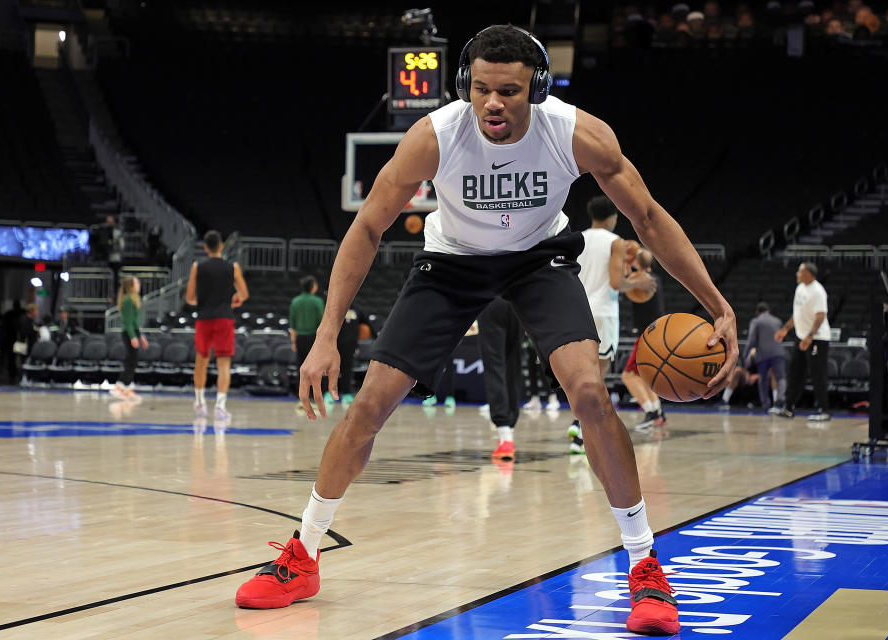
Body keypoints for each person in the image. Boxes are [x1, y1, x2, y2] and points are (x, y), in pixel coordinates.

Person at [235, 25, 737, 637]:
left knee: (589, 393)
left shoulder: (577, 134)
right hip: (450, 263)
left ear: (538, 91)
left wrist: (717, 304)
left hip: (538, 257)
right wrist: (325, 337)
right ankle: (304, 554)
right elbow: (367, 226)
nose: (493, 103)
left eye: (509, 90)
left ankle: (645, 567)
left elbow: (650, 219)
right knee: (369, 404)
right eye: (480, 89)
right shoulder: (435, 136)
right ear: (463, 87)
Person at [567, 193, 656, 453]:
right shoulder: (616, 242)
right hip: (604, 312)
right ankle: (582, 427)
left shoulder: (578, 238)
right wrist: (638, 282)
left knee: (584, 374)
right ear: (612, 218)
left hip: (579, 310)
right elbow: (617, 283)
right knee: (598, 376)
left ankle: (580, 425)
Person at [185, 230, 249, 420]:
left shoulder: (197, 266)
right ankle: (220, 406)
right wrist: (235, 299)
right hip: (224, 318)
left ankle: (199, 402)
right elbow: (244, 294)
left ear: (205, 248)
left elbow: (189, 298)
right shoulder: (233, 267)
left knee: (201, 362)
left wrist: (204, 301)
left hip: (204, 318)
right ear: (221, 246)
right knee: (223, 365)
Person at [775, 262, 831, 422]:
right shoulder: (800, 288)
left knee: (817, 374)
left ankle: (824, 410)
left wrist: (810, 337)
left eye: (800, 271)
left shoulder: (818, 291)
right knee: (795, 372)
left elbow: (821, 316)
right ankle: (789, 408)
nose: (797, 274)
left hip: (817, 338)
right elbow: (797, 313)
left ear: (808, 273)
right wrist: (785, 329)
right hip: (801, 337)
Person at [620, 249, 669, 431]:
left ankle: (651, 413)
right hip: (657, 333)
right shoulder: (655, 278)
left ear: (638, 263)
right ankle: (658, 413)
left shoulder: (640, 280)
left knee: (628, 376)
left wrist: (625, 262)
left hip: (646, 335)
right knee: (643, 377)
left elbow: (620, 282)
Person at [478, 297, 524, 460]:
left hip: (491, 300)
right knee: (513, 364)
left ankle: (505, 436)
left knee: (495, 365)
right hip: (516, 302)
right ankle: (508, 431)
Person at [744, 301, 786, 413]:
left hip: (763, 354)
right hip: (778, 353)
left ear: (758, 313)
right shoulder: (778, 321)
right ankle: (780, 402)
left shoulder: (756, 321)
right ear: (769, 311)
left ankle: (766, 405)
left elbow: (751, 340)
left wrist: (745, 354)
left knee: (763, 380)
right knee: (780, 378)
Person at [111, 276, 148, 401]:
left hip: (133, 331)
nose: (139, 284)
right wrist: (133, 337)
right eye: (136, 282)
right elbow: (127, 322)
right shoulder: (127, 300)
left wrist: (140, 336)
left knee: (133, 360)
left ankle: (128, 388)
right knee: (131, 360)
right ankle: (119, 386)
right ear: (131, 286)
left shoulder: (134, 299)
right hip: (128, 333)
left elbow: (135, 322)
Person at [289, 276, 324, 370]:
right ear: (313, 286)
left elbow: (292, 325)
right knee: (315, 367)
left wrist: (293, 342)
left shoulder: (295, 301)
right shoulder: (318, 301)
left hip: (300, 338)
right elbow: (321, 322)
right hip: (313, 337)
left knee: (300, 367)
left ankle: (300, 385)